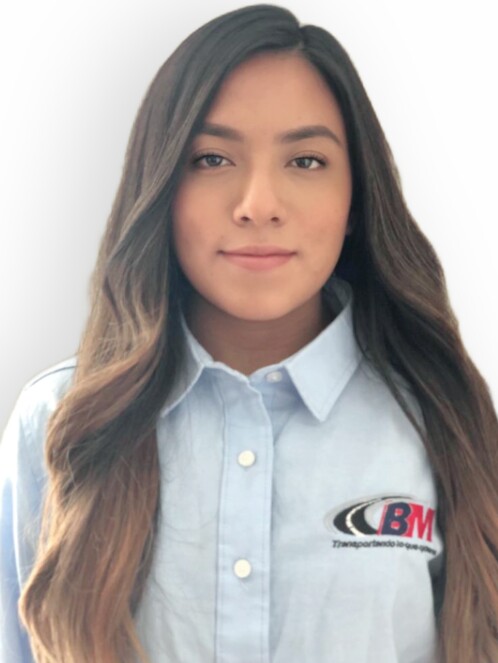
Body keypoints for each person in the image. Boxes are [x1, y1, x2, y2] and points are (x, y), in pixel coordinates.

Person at [1, 4, 497, 663]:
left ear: (356, 200)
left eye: (306, 161)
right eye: (211, 158)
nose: (258, 204)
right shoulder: (61, 423)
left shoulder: (441, 418)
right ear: (162, 188)